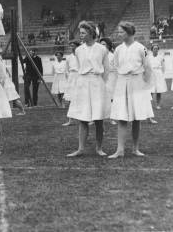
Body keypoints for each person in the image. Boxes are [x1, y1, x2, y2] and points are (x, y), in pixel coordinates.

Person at [108, 22, 155, 159]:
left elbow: (147, 68)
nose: (118, 34)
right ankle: (120, 150)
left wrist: (144, 87)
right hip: (122, 83)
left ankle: (135, 148)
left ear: (128, 32)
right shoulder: (118, 49)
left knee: (136, 118)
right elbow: (115, 67)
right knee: (122, 117)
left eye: (121, 32)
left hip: (137, 83)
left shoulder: (141, 48)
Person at [66, 21, 110, 157]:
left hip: (97, 83)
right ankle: (80, 148)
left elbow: (106, 70)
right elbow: (80, 68)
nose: (81, 35)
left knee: (98, 119)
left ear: (91, 33)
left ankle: (99, 148)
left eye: (83, 33)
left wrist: (100, 83)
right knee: (82, 118)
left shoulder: (102, 49)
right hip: (83, 84)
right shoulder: (78, 50)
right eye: (80, 33)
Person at [62, 41, 80, 126]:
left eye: (74, 46)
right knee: (70, 99)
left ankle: (87, 119)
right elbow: (66, 69)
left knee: (82, 98)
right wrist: (69, 77)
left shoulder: (81, 56)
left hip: (80, 77)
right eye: (71, 46)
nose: (72, 48)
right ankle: (70, 120)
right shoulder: (68, 57)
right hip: (72, 78)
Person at [148, 44, 167, 110]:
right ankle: (149, 105)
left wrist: (161, 74)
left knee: (159, 90)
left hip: (159, 74)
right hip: (151, 74)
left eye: (156, 49)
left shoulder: (161, 57)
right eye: (154, 49)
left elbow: (163, 67)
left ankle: (158, 105)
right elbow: (147, 67)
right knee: (151, 91)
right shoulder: (149, 57)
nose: (155, 50)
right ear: (152, 50)